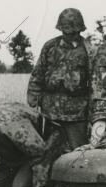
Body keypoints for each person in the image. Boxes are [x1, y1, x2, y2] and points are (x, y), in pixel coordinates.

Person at [27, 8, 94, 150]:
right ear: (61, 29)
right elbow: (38, 73)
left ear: (80, 30)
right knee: (46, 152)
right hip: (49, 112)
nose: (70, 35)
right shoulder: (50, 46)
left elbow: (95, 84)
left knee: (78, 153)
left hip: (77, 115)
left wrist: (93, 114)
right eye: (66, 32)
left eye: (74, 32)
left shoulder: (89, 50)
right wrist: (33, 99)